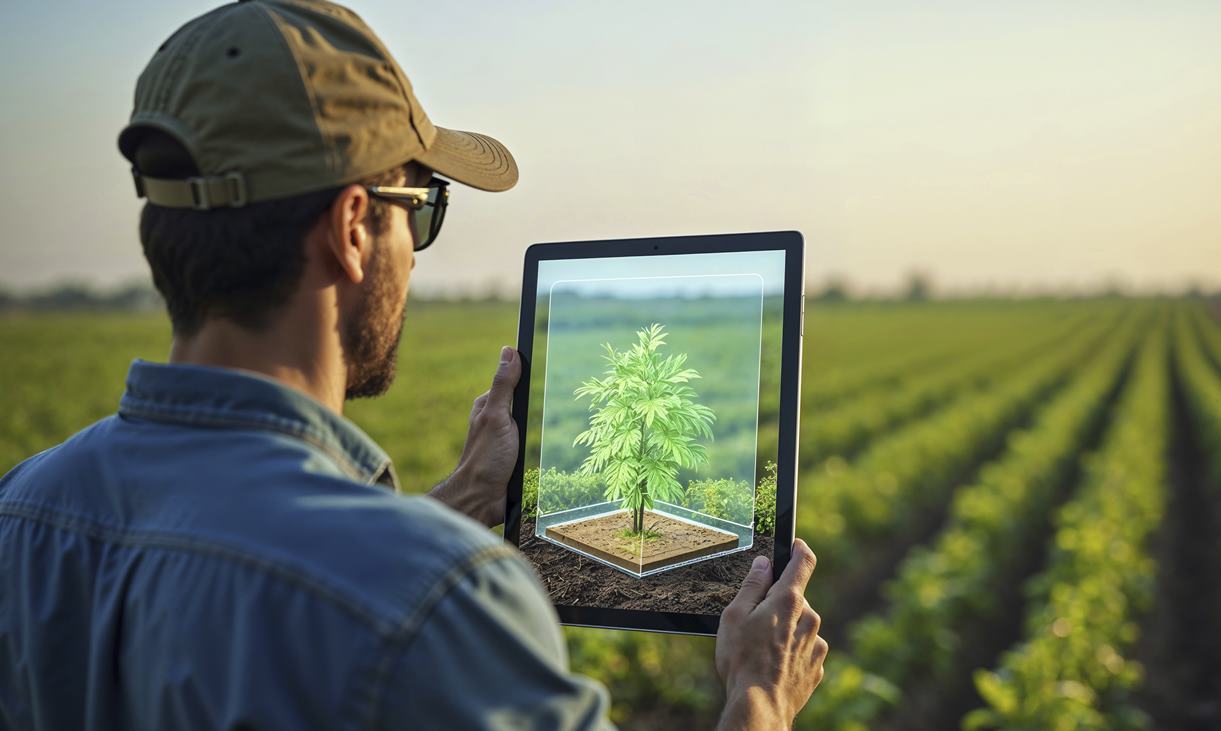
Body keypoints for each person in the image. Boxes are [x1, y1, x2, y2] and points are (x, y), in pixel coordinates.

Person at [0, 1, 827, 728]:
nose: (418, 254)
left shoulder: (23, 512)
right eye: (421, 209)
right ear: (353, 227)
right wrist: (758, 695)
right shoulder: (439, 599)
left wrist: (468, 495)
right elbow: (369, 594)